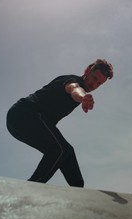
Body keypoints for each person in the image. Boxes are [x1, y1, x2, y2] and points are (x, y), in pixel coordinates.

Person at [6, 59, 113, 188]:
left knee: (67, 153)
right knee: (60, 150)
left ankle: (79, 191)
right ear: (87, 71)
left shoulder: (80, 85)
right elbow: (73, 89)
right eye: (94, 78)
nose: (94, 85)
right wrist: (83, 97)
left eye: (99, 83)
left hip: (19, 122)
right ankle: (32, 188)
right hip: (25, 114)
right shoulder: (72, 81)